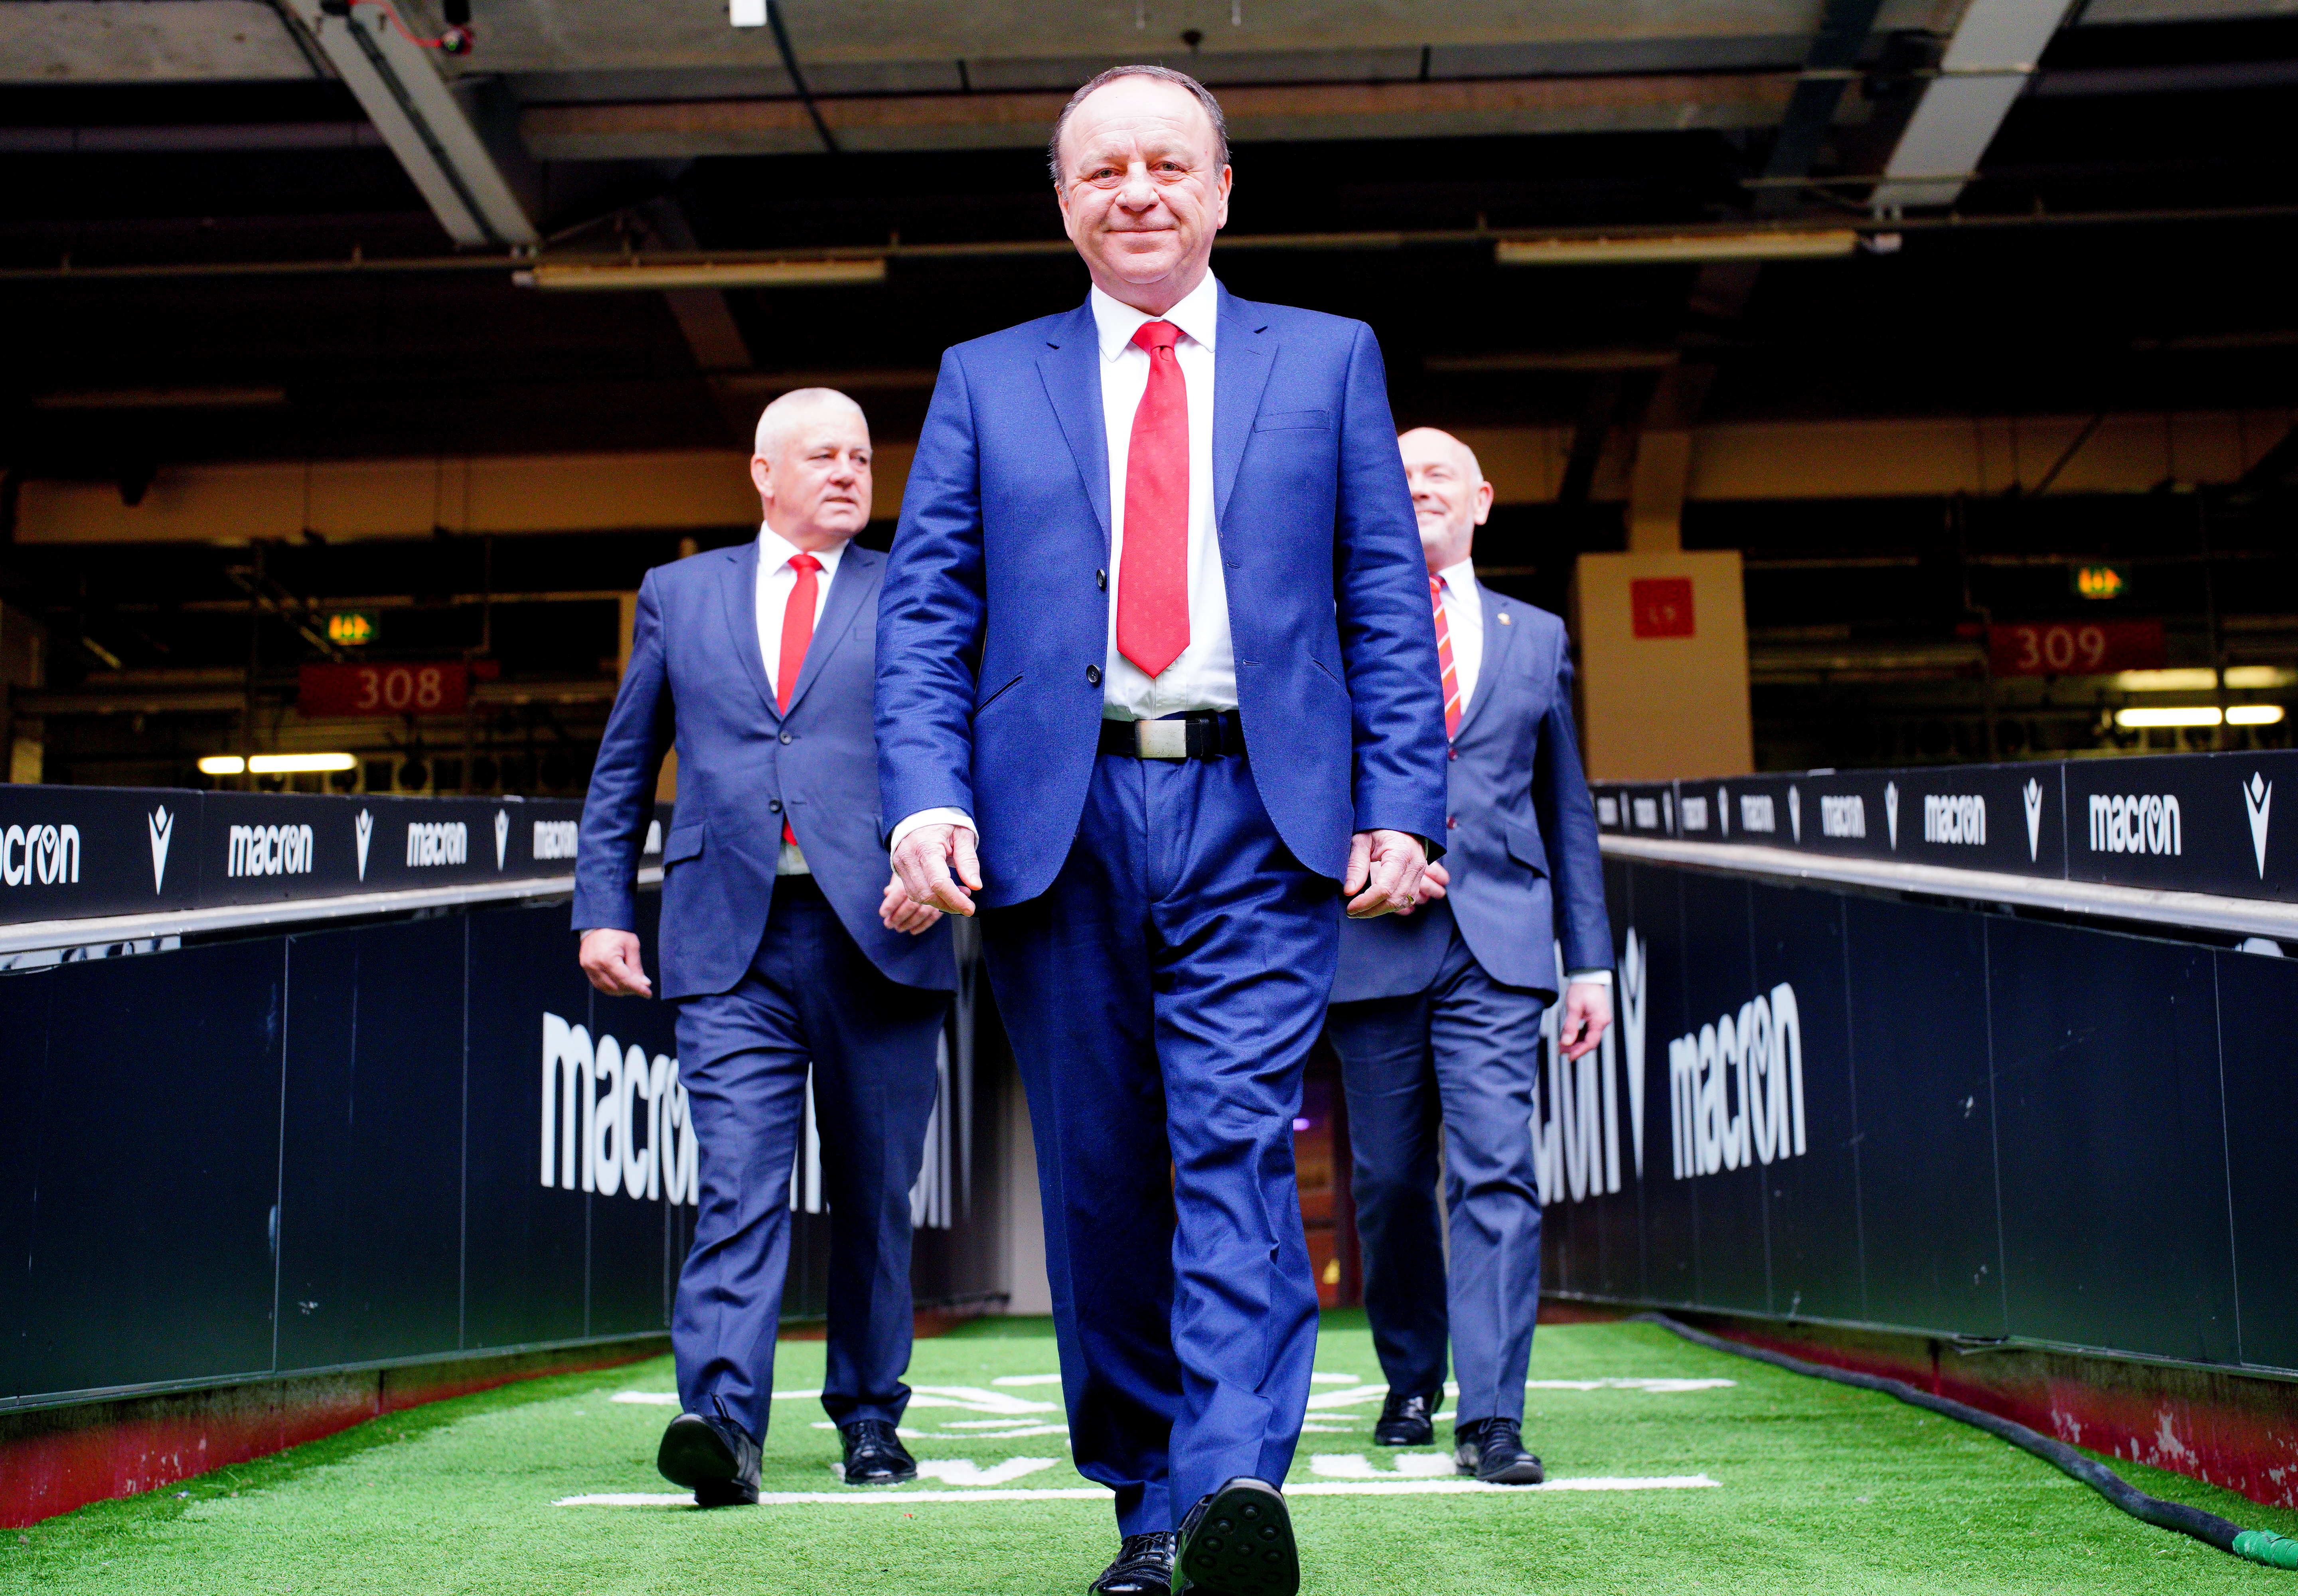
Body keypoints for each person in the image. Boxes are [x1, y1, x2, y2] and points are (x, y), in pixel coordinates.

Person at [876, 64, 1447, 1596]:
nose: (1138, 190)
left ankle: (1228, 1488)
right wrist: (926, 796)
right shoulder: (985, 378)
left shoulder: (1327, 362)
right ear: (1063, 200)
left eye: (1167, 165)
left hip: (1262, 812)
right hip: (1053, 822)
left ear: (1222, 186)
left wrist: (1403, 800)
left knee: (1237, 1143)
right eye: (1104, 169)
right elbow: (927, 614)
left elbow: (1385, 598)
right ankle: (1142, 1500)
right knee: (1103, 1170)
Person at [572, 388, 956, 1505]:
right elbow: (623, 765)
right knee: (739, 1184)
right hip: (723, 937)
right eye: (821, 456)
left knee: (878, 1195)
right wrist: (604, 905)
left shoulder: (916, 592)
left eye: (859, 457)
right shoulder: (678, 595)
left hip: (882, 929)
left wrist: (942, 865)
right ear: (763, 473)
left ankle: (871, 1418)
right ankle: (723, 1425)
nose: (847, 471)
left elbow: (962, 744)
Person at [1322, 426, 1614, 1485]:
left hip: (1498, 946)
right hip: (1371, 938)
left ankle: (1491, 1416)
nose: (1416, 491)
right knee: (1390, 1180)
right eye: (1394, 480)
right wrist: (1350, 851)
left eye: (1435, 475)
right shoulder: (1334, 628)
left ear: (1480, 500)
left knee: (1496, 1170)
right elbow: (1300, 775)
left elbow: (1565, 808)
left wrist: (1590, 962)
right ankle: (1411, 1369)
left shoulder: (1534, 637)